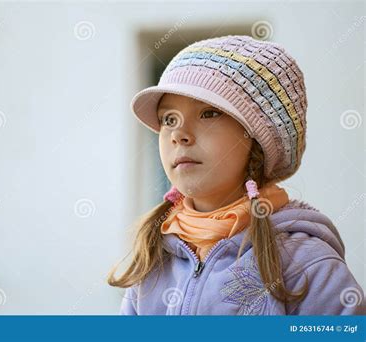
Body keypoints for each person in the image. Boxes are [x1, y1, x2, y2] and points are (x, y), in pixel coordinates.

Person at [107, 35, 365, 315]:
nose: (179, 134)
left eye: (208, 114)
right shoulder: (153, 259)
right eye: (169, 119)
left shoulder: (308, 264)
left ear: (257, 141)